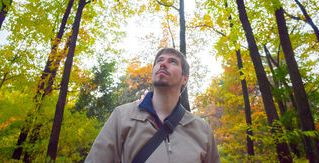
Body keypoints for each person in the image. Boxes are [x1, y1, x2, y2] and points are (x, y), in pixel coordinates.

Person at [85, 48, 221, 163]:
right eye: (159, 61)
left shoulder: (202, 130)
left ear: (185, 78)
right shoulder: (122, 116)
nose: (163, 64)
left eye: (172, 61)